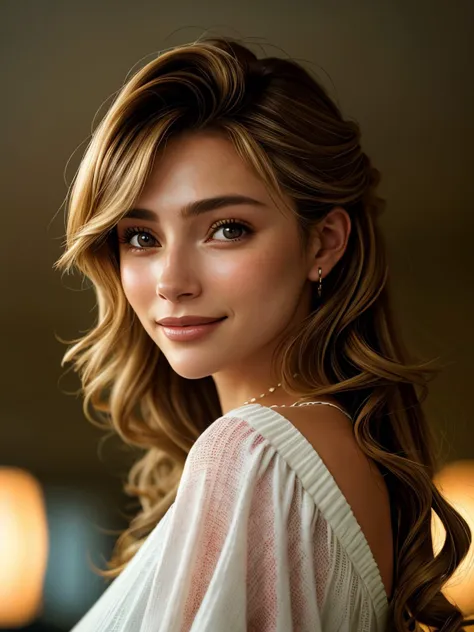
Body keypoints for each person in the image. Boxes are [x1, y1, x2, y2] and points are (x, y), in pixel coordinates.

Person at [55, 36, 473, 632]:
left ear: (324, 241)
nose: (171, 282)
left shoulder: (256, 454)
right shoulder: (328, 449)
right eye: (141, 237)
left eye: (226, 228)